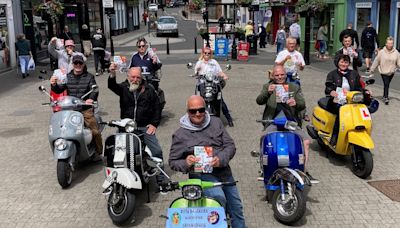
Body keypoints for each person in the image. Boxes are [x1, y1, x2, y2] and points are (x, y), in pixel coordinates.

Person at [169, 95, 246, 228]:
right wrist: (186, 162)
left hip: (224, 172)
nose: (198, 114)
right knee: (218, 199)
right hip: (201, 177)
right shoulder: (180, 134)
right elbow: (173, 161)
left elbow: (230, 146)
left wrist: (220, 159)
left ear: (205, 109)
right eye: (193, 111)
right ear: (188, 112)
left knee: (236, 207)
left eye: (201, 110)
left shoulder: (216, 122)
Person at [256, 65, 318, 183]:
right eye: (277, 75)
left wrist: (295, 103)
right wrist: (268, 93)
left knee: (306, 141)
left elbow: (302, 104)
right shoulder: (268, 86)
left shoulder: (294, 87)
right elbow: (259, 101)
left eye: (282, 75)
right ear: (272, 76)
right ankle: (264, 167)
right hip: (273, 120)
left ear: (286, 74)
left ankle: (303, 171)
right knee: (264, 137)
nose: (280, 77)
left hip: (291, 121)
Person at [108, 65, 166, 183]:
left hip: (143, 126)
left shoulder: (149, 89)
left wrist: (154, 124)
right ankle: (115, 178)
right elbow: (112, 86)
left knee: (156, 151)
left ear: (141, 77)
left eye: (138, 77)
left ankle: (160, 178)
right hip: (126, 126)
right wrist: (112, 73)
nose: (135, 79)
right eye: (133, 77)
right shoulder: (123, 88)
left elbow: (157, 107)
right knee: (115, 150)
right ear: (128, 76)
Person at [50, 55, 103, 158]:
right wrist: (54, 85)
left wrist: (91, 99)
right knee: (61, 128)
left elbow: (94, 90)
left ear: (83, 64)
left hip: (85, 109)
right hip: (70, 108)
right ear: (72, 64)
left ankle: (98, 152)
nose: (78, 65)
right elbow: (59, 89)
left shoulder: (89, 77)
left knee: (95, 131)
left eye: (80, 63)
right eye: (76, 63)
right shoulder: (67, 77)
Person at [325, 54, 370, 145]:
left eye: (346, 62)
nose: (344, 64)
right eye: (341, 62)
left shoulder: (354, 73)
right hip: (337, 100)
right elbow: (328, 87)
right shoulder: (332, 74)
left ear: (349, 63)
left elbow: (359, 87)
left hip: (352, 100)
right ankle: (335, 136)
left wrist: (366, 91)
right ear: (337, 62)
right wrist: (331, 92)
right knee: (340, 113)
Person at [194, 47, 234, 127]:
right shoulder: (199, 63)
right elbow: (196, 74)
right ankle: (193, 119)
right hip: (203, 84)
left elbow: (219, 72)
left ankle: (229, 119)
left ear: (211, 54)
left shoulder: (214, 62)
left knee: (220, 100)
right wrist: (197, 70)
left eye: (209, 53)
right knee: (196, 101)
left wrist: (224, 75)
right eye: (205, 53)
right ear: (202, 53)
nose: (207, 55)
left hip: (213, 84)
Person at [370, 36, 400, 105]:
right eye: (388, 43)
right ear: (386, 44)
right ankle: (386, 97)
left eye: (391, 44)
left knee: (387, 84)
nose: (390, 45)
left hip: (391, 72)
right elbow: (376, 61)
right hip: (383, 71)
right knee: (386, 84)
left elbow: (399, 62)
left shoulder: (396, 53)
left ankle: (384, 95)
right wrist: (372, 69)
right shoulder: (381, 52)